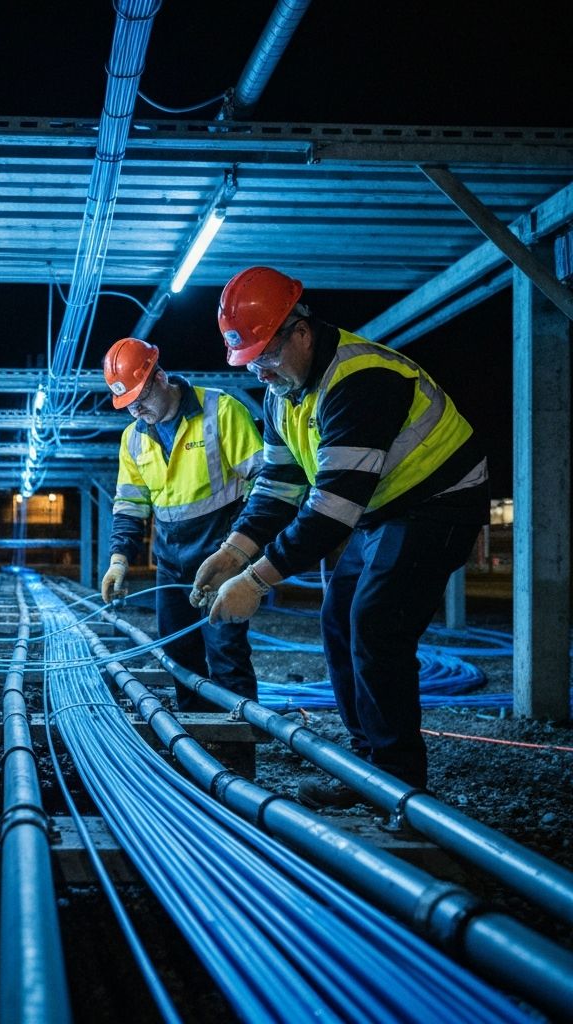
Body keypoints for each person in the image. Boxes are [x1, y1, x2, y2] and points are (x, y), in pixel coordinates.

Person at [191, 266, 489, 807]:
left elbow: (330, 511)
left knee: (376, 625)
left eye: (266, 355)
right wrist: (231, 551)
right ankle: (365, 767)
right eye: (249, 360)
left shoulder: (360, 381)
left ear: (300, 332)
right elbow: (280, 485)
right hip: (383, 510)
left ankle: (397, 783)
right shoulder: (284, 393)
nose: (259, 371)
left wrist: (255, 580)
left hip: (439, 503)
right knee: (339, 620)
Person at [100, 337, 264, 716]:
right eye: (128, 406)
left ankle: (237, 753)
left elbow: (265, 485)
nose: (137, 411)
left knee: (227, 654)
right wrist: (119, 559)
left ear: (160, 377)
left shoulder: (220, 411)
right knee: (179, 657)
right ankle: (197, 744)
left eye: (140, 399)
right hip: (170, 564)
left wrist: (241, 552)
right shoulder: (134, 438)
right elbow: (130, 504)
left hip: (222, 558)